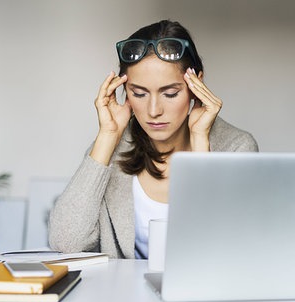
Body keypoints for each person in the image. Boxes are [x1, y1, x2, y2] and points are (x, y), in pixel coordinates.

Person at [48, 20, 258, 259]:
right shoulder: (111, 148)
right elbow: (65, 241)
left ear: (196, 85)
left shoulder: (237, 147)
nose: (154, 110)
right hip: (121, 295)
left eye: (170, 93)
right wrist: (108, 136)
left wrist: (200, 144)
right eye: (139, 93)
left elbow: (224, 251)